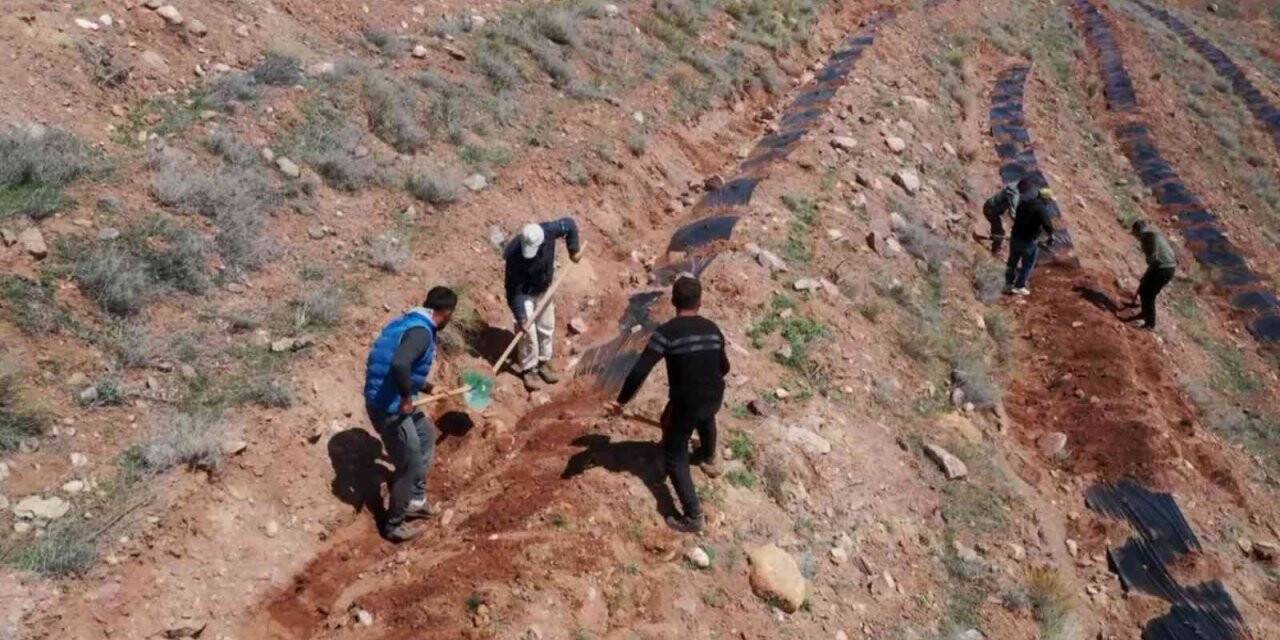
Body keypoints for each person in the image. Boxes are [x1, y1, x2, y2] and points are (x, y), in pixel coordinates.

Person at [606, 276, 730, 534]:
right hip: (715, 395)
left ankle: (693, 515)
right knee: (706, 416)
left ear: (673, 301)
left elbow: (640, 371)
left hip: (687, 403)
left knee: (674, 454)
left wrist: (621, 401)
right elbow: (725, 367)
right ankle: (708, 457)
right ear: (700, 301)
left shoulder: (666, 334)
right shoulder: (712, 328)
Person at [363, 286, 457, 542]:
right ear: (446, 312)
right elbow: (399, 364)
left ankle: (415, 500)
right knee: (410, 462)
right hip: (389, 408)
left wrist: (427, 386)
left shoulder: (410, 322)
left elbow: (400, 364)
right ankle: (394, 524)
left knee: (426, 435)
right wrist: (406, 398)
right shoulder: (422, 333)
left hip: (388, 399)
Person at [504, 217, 582, 391]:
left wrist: (573, 250)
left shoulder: (549, 230)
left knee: (546, 327)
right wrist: (521, 317)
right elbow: (512, 289)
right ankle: (529, 368)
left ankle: (543, 362)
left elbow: (570, 224)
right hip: (523, 293)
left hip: (544, 288)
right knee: (527, 333)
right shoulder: (513, 254)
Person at [1122, 220, 1176, 330]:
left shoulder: (1150, 236)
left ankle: (1150, 324)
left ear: (1138, 232)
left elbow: (1154, 253)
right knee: (1143, 288)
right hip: (1158, 266)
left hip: (1165, 269)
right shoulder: (1146, 238)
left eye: (1135, 234)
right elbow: (1152, 260)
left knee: (1149, 295)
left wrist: (1153, 256)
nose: (1135, 237)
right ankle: (1144, 312)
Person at [1005, 186, 1056, 296]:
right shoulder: (1041, 209)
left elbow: (1017, 216)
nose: (1050, 202)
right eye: (1050, 200)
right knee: (1028, 264)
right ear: (1045, 199)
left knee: (1012, 262)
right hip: (1028, 241)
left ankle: (1008, 284)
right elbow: (1047, 225)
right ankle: (1019, 286)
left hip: (1014, 238)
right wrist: (1051, 236)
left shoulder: (1024, 203)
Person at [982, 178, 1029, 254]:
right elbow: (1012, 212)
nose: (1026, 191)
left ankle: (993, 241)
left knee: (998, 230)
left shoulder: (1013, 185)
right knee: (1000, 233)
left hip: (990, 207)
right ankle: (994, 251)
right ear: (1022, 187)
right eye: (1026, 189)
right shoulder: (1013, 194)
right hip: (991, 210)